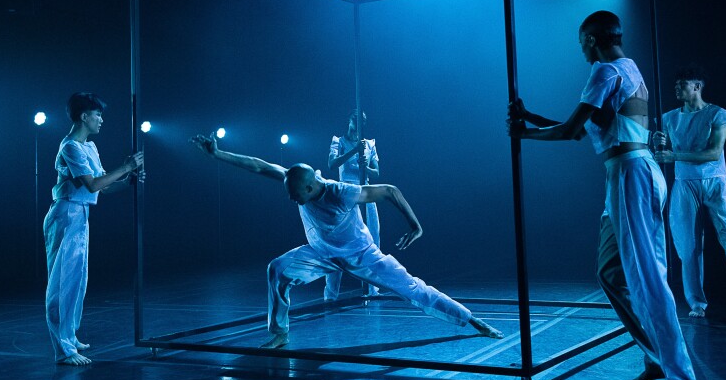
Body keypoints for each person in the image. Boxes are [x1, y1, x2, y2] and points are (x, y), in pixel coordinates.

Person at [507, 11, 698, 380]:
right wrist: (529, 118)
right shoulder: (630, 70)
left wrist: (522, 135)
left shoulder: (604, 71)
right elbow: (584, 129)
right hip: (631, 174)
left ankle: (681, 379)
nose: (581, 51)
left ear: (592, 40)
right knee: (612, 274)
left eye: (581, 43)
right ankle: (656, 358)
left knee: (647, 280)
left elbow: (570, 131)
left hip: (631, 175)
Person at [189, 132, 503, 349]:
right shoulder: (296, 180)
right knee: (278, 269)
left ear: (311, 187)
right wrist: (217, 154)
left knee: (415, 290)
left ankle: (473, 321)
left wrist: (415, 225)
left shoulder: (340, 192)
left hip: (364, 256)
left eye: (296, 197)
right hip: (321, 254)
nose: (294, 201)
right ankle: (280, 333)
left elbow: (390, 190)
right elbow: (259, 165)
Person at [653, 65, 726, 320]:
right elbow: (661, 150)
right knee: (688, 245)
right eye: (676, 84)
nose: (677, 88)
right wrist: (658, 143)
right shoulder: (669, 118)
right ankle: (696, 303)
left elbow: (714, 152)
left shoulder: (717, 115)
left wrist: (674, 155)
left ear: (697, 86)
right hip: (685, 184)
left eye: (683, 83)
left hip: (716, 183)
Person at [44, 92, 144, 366]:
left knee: (77, 281)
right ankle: (63, 349)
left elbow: (104, 185)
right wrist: (126, 167)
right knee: (62, 282)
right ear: (84, 116)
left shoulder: (90, 147)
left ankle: (70, 335)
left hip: (80, 216)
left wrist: (128, 180)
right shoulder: (70, 147)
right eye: (97, 114)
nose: (101, 120)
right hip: (65, 215)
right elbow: (92, 185)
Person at [326, 110, 380, 299]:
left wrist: (366, 165)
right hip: (345, 195)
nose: (357, 123)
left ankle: (372, 288)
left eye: (361, 121)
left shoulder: (369, 144)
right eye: (355, 119)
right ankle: (331, 294)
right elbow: (332, 165)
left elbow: (377, 172)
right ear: (349, 120)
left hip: (365, 193)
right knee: (339, 243)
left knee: (371, 240)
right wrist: (353, 151)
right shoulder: (338, 142)